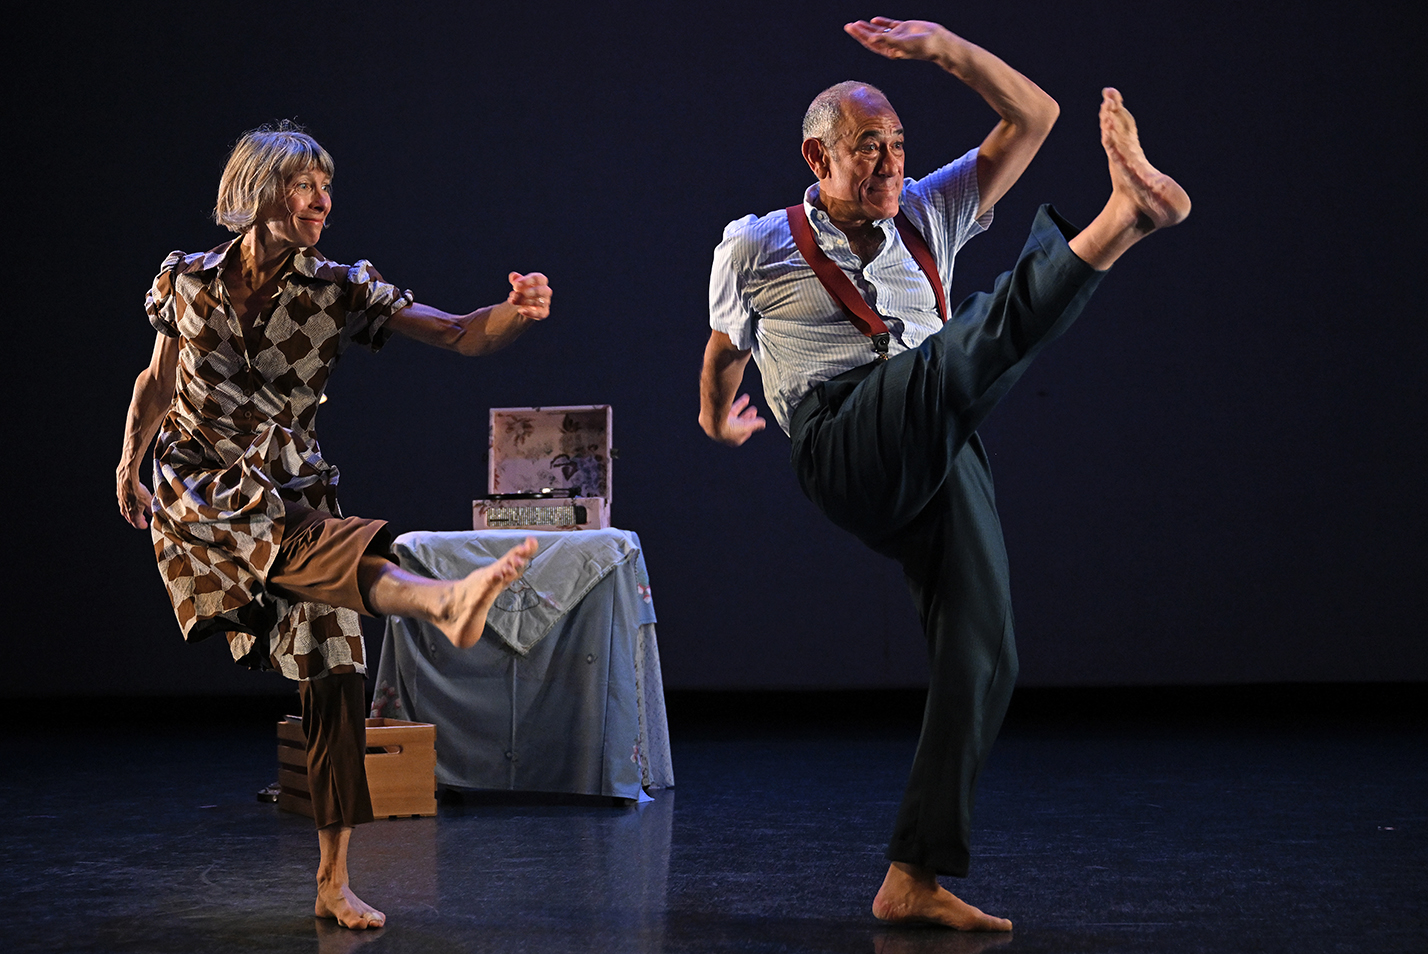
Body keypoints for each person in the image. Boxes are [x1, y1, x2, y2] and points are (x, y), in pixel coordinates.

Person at [699, 18, 1189, 930]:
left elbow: (1035, 117)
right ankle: (1118, 222)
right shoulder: (758, 245)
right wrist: (713, 417)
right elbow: (726, 347)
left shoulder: (928, 210)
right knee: (956, 355)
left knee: (985, 650)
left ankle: (913, 875)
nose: (889, 163)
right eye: (866, 147)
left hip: (934, 431)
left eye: (897, 144)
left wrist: (942, 49)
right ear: (816, 156)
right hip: (844, 440)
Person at [117, 122, 551, 930]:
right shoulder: (185, 280)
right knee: (280, 534)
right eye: (305, 186)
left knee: (336, 660)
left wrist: (516, 313)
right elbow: (157, 379)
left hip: (291, 495)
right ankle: (438, 601)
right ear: (258, 191)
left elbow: (459, 330)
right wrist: (126, 464)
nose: (323, 201)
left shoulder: (336, 288)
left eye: (327, 187)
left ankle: (333, 881)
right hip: (200, 488)